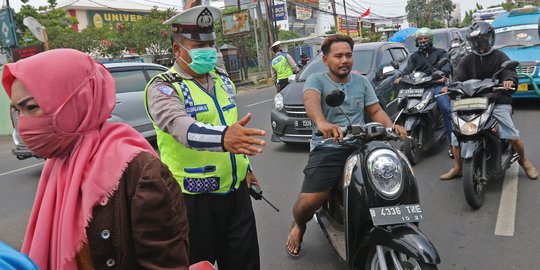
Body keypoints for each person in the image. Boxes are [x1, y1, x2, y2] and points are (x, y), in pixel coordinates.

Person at [3, 49, 190, 269]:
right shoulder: (61, 160)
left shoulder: (140, 172)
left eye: (31, 107)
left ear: (77, 101)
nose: (23, 123)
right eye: (18, 110)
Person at [144, 5, 266, 270]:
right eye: (199, 45)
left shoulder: (223, 80)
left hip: (236, 195)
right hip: (191, 203)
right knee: (197, 266)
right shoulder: (163, 88)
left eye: (211, 43)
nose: (209, 50)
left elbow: (233, 129)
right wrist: (225, 138)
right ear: (178, 50)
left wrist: (247, 168)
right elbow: (182, 128)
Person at [285, 35, 407, 257]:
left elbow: (376, 111)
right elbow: (311, 103)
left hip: (362, 145)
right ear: (326, 60)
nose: (344, 60)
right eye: (338, 56)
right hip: (329, 147)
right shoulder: (317, 80)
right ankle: (299, 225)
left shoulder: (361, 82)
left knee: (397, 173)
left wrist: (392, 127)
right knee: (309, 202)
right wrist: (322, 123)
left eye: (348, 55)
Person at [440, 21, 538, 180]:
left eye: (482, 39)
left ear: (490, 38)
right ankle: (458, 167)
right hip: (472, 102)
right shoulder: (467, 59)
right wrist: (450, 87)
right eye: (476, 41)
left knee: (510, 133)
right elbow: (457, 77)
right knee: (456, 133)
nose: (480, 44)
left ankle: (524, 161)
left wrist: (509, 81)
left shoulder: (500, 56)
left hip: (496, 101)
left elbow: (509, 72)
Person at [395, 27, 454, 157]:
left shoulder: (440, 53)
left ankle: (453, 143)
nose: (423, 41)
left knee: (446, 109)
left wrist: (442, 74)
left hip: (435, 85)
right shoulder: (415, 56)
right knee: (404, 106)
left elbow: (446, 66)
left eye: (425, 38)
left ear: (430, 40)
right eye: (420, 39)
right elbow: (408, 69)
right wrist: (401, 77)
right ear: (417, 41)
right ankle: (404, 137)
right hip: (420, 86)